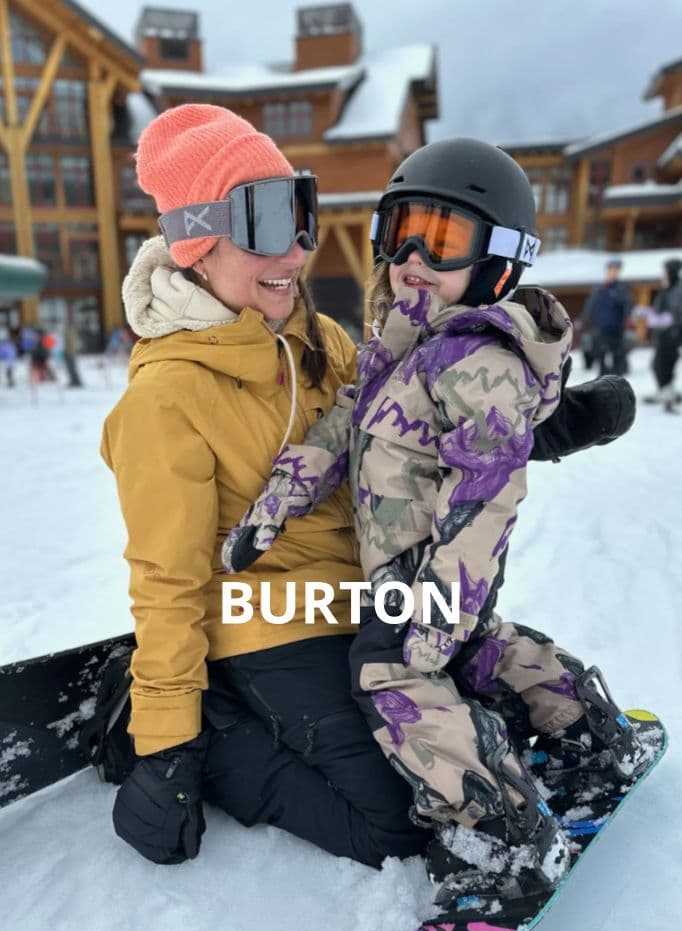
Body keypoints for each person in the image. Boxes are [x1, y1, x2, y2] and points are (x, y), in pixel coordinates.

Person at [101, 106, 635, 874]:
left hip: (362, 602)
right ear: (195, 241)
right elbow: (166, 581)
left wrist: (538, 423)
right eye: (264, 221)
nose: (295, 249)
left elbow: (409, 424)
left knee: (461, 722)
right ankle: (202, 724)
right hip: (267, 624)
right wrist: (167, 748)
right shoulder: (164, 399)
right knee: (399, 826)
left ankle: (562, 742)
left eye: (300, 214)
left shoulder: (321, 340)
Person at [223, 138, 648, 920]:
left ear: (499, 262)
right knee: (482, 652)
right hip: (414, 570)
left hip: (436, 571)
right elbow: (343, 426)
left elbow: (489, 489)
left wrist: (438, 604)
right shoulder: (403, 343)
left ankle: (500, 831)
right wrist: (277, 501)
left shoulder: (474, 361)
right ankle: (589, 730)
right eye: (403, 231)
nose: (414, 258)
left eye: (444, 239)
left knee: (392, 676)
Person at [638, 258, 682, 413]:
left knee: (664, 364)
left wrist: (664, 319)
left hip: (672, 335)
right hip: (663, 335)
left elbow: (675, 313)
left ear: (672, 271)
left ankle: (668, 393)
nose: (663, 274)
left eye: (665, 271)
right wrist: (648, 313)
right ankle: (665, 391)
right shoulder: (668, 289)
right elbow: (660, 310)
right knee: (658, 364)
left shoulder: (678, 289)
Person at [580, 258, 632, 376]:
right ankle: (602, 376)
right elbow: (590, 306)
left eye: (616, 270)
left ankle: (618, 376)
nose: (614, 273)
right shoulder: (599, 289)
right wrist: (582, 320)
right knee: (601, 352)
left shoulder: (621, 288)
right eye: (612, 270)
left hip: (617, 327)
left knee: (618, 353)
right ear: (607, 271)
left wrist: (629, 317)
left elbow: (628, 305)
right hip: (602, 326)